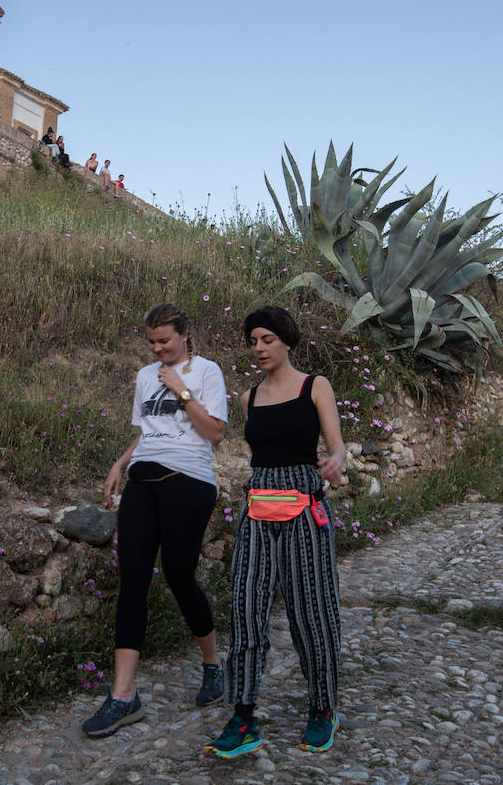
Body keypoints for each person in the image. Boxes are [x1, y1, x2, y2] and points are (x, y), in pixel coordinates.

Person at [81, 304, 229, 738]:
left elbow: (215, 433)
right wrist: (120, 462)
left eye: (165, 340)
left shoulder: (206, 371)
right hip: (143, 476)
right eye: (151, 342)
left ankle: (213, 664)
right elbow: (148, 429)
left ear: (185, 334)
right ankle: (124, 696)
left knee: (179, 575)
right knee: (133, 577)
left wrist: (182, 389)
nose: (158, 348)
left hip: (189, 477)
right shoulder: (146, 376)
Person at [205, 305, 345, 759]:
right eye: (253, 341)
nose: (259, 348)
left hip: (305, 514)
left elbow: (336, 448)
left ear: (286, 340)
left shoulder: (314, 386)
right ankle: (243, 717)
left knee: (312, 613)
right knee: (246, 613)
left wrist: (335, 464)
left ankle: (323, 708)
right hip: (257, 515)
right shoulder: (249, 398)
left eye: (266, 339)